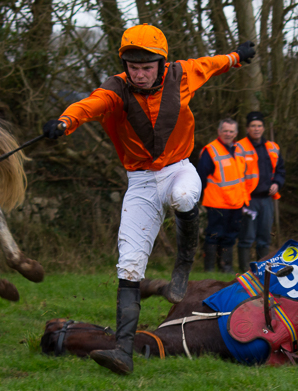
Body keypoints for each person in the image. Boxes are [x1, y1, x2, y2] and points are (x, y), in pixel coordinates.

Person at [42, 24, 256, 374]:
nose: (139, 74)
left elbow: (211, 64)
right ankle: (122, 352)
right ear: (125, 64)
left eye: (146, 67)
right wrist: (65, 123)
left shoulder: (182, 74)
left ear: (161, 63)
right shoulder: (115, 89)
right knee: (128, 265)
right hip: (140, 181)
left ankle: (182, 267)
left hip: (178, 169)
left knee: (185, 195)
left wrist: (236, 58)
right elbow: (90, 105)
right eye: (133, 67)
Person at [196, 118, 249, 273]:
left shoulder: (239, 150)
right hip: (217, 202)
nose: (228, 134)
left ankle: (226, 267)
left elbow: (241, 177)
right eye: (225, 130)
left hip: (236, 203)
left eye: (231, 131)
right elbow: (201, 176)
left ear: (236, 133)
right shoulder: (210, 150)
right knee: (214, 235)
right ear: (219, 131)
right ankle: (210, 268)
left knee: (230, 236)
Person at [237, 111, 285, 270]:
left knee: (265, 237)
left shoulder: (273, 147)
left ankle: (262, 269)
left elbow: (280, 170)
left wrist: (277, 183)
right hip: (248, 199)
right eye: (253, 126)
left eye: (259, 126)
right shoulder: (239, 147)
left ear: (263, 128)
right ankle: (244, 271)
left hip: (267, 199)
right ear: (247, 128)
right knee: (247, 237)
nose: (256, 129)